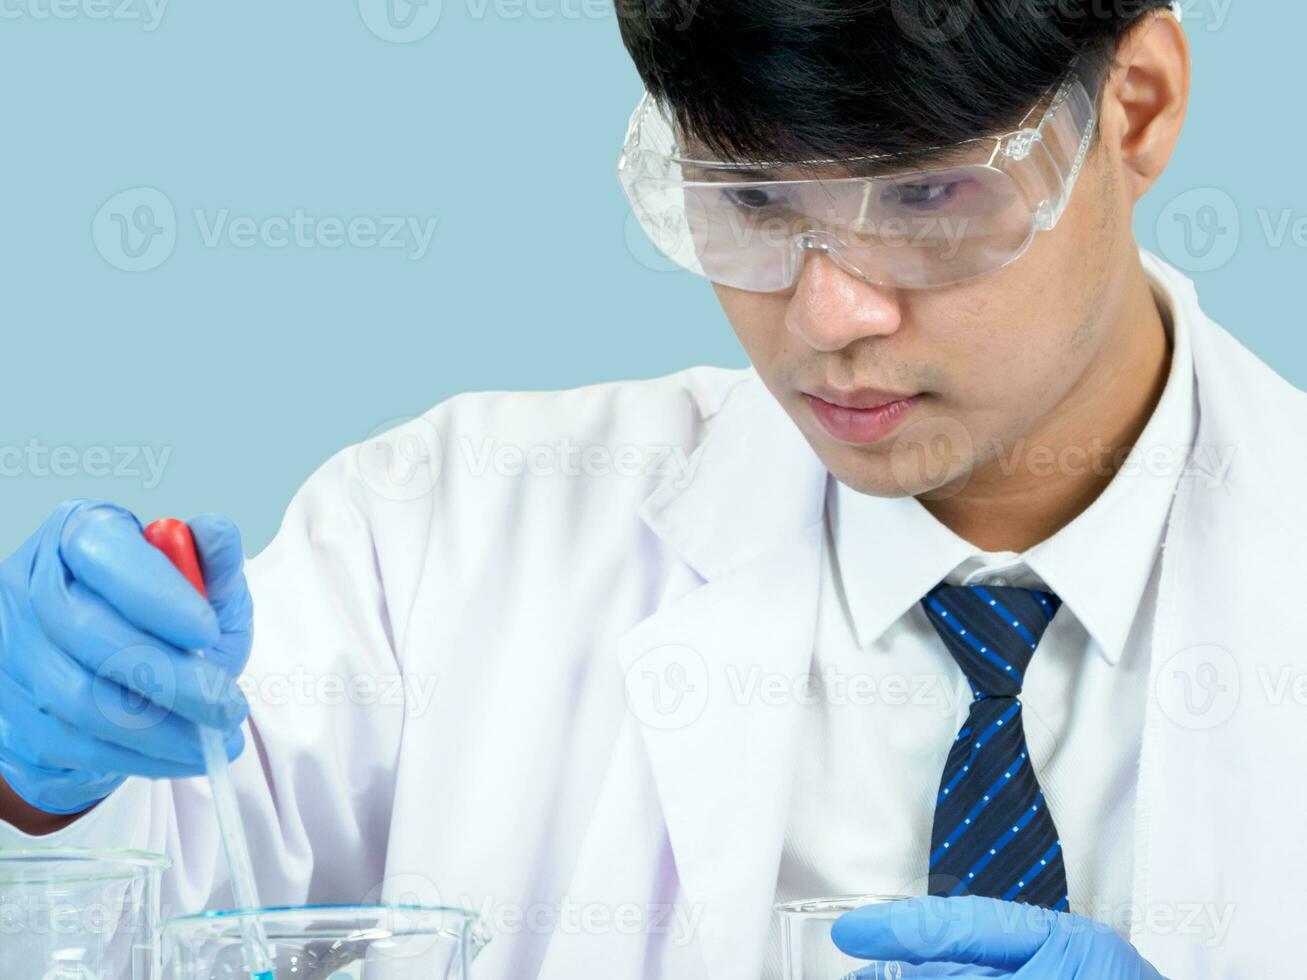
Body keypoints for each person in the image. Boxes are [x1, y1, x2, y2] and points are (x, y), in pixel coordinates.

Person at [1, 1, 1302, 976]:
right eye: (752, 199)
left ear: (1135, 107)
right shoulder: (443, 534)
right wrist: (40, 776)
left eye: (927, 195)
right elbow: (128, 898)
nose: (831, 311)